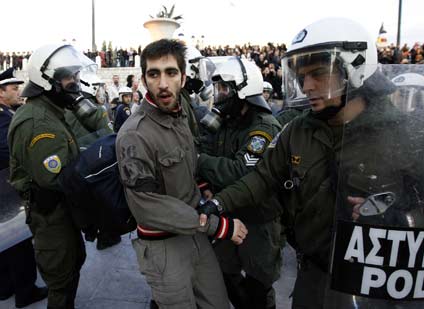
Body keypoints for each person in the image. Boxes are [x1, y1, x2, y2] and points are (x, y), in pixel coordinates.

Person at [197, 18, 424, 308]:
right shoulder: (297, 131)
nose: (307, 86)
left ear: (355, 69)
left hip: (378, 282)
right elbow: (262, 179)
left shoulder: (414, 138)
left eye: (318, 73)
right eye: (302, 77)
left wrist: (404, 220)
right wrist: (219, 203)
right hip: (313, 278)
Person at [115, 38, 248, 309]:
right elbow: (147, 207)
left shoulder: (180, 116)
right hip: (164, 248)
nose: (163, 83)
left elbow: (186, 161)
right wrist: (218, 227)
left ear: (183, 77)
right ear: (143, 79)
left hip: (195, 234)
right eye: (154, 74)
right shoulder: (134, 135)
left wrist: (201, 185)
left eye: (171, 72)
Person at [8, 43, 104, 309]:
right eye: (68, 77)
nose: (74, 83)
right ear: (46, 80)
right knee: (61, 281)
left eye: (75, 75)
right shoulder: (39, 123)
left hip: (62, 213)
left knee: (72, 264)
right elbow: (55, 177)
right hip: (51, 216)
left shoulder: (50, 112)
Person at [197, 57, 283, 309]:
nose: (220, 95)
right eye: (218, 89)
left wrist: (200, 161)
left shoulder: (264, 128)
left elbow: (238, 172)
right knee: (224, 275)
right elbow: (203, 145)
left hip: (259, 219)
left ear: (244, 90)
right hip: (227, 214)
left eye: (225, 89)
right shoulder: (225, 122)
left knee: (259, 285)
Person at [0, 68, 49, 308]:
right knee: (18, 242)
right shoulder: (2, 117)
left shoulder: (8, 112)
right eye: (13, 88)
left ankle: (5, 287)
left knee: (5, 241)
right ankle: (25, 291)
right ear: (0, 94)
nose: (18, 91)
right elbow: (7, 152)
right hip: (7, 189)